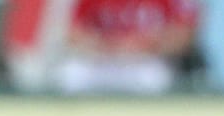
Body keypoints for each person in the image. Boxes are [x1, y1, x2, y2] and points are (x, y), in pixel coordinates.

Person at [54, 0, 201, 94]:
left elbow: (185, 35)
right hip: (105, 59)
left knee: (154, 78)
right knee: (72, 74)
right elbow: (72, 33)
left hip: (146, 61)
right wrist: (105, 45)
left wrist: (145, 45)